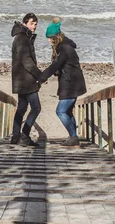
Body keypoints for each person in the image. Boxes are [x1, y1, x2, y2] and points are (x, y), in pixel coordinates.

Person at [39, 17, 87, 146]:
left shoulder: (64, 48)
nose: (49, 40)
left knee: (60, 111)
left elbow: (55, 65)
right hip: (73, 83)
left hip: (71, 84)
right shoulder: (65, 45)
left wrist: (41, 78)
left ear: (56, 37)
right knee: (67, 111)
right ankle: (73, 136)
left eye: (50, 38)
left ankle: (73, 136)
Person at [10, 13, 42, 147]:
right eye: (32, 23)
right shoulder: (22, 38)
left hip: (21, 79)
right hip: (25, 80)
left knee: (22, 108)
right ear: (24, 23)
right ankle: (24, 135)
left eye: (35, 24)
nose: (34, 26)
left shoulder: (24, 37)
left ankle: (15, 136)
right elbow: (27, 61)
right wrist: (40, 75)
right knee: (36, 107)